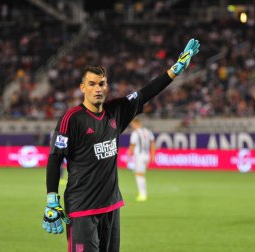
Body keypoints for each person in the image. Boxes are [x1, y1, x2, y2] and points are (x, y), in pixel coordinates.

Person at [42, 38, 200, 252]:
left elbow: (146, 93)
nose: (97, 88)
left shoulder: (116, 111)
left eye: (101, 83)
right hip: (81, 209)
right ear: (82, 88)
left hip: (111, 206)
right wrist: (52, 197)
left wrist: (175, 69)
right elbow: (55, 157)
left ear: (106, 86)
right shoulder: (72, 119)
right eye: (92, 84)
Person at [127, 118, 156, 202]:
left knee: (139, 175)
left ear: (136, 123)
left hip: (139, 156)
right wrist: (153, 155)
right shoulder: (148, 131)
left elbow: (132, 145)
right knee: (140, 174)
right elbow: (153, 143)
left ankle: (142, 194)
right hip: (147, 155)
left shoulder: (135, 133)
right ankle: (143, 193)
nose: (131, 126)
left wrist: (128, 156)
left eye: (132, 124)